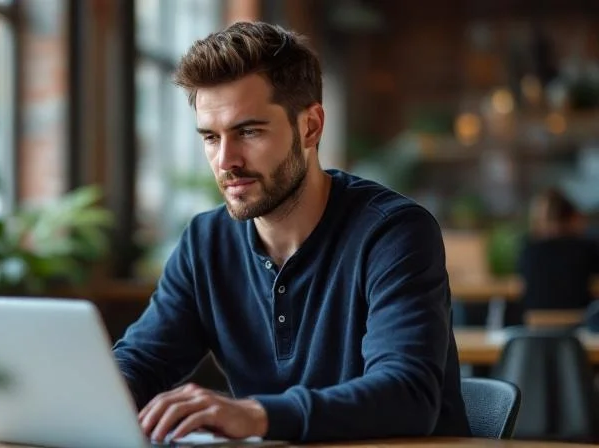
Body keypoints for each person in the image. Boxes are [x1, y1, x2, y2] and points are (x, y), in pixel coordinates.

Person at [112, 21, 471, 443]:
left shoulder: (393, 233)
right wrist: (98, 393)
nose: (226, 160)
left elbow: (406, 395)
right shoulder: (204, 243)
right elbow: (143, 361)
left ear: (311, 127)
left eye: (248, 132)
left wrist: (256, 416)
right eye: (211, 137)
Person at [518, 187, 599, 312]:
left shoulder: (528, 249)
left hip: (534, 325)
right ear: (574, 218)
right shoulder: (586, 247)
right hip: (577, 323)